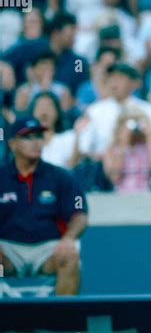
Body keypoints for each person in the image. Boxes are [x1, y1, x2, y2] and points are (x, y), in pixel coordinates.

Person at [0, 116, 88, 295]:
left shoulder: (61, 177)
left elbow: (80, 215)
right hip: (8, 250)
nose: (35, 143)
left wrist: (69, 238)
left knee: (70, 257)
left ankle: (64, 320)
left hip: (47, 249)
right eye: (28, 137)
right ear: (12, 144)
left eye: (39, 137)